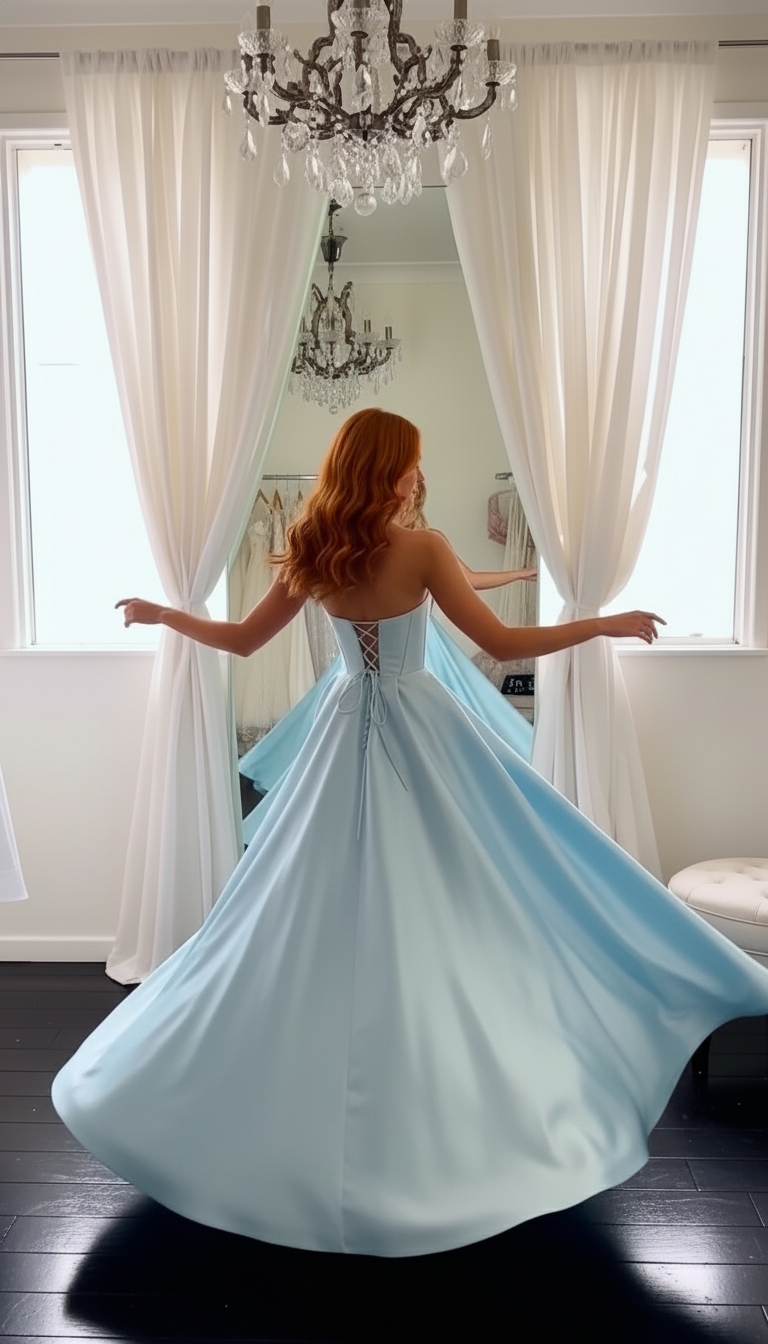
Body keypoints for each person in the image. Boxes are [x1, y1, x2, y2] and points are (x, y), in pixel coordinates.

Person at [52, 408, 768, 1259]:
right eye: (408, 467)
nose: (412, 481)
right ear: (387, 467)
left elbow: (242, 643)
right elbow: (500, 642)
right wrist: (601, 625)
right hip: (423, 733)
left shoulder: (314, 545)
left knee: (299, 915)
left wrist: (168, 614)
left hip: (343, 731)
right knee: (510, 879)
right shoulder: (419, 548)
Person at [239, 471, 536, 819]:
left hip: (368, 675)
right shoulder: (421, 546)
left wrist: (516, 573)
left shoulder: (330, 544)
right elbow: (494, 632)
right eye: (414, 469)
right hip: (393, 670)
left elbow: (468, 581)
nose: (420, 479)